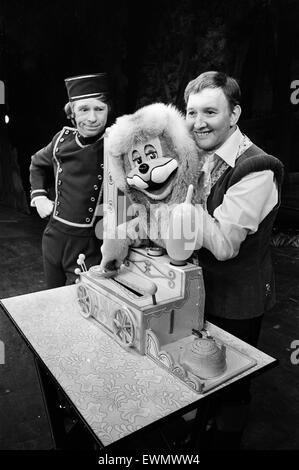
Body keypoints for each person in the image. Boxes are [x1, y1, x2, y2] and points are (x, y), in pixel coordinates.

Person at [183, 71, 284, 449]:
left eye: (209, 111)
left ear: (234, 114)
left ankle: (225, 441)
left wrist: (187, 205)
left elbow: (225, 245)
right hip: (199, 290)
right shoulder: (198, 154)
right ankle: (201, 427)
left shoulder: (257, 167)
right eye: (191, 113)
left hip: (238, 299)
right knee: (199, 366)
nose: (198, 122)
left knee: (233, 385)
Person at [29, 73, 113, 288]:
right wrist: (39, 197)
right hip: (53, 236)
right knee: (52, 297)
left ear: (108, 110)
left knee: (85, 302)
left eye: (99, 109)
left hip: (89, 243)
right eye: (84, 109)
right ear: (72, 113)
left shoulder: (115, 143)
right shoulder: (61, 139)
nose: (92, 118)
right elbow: (37, 163)